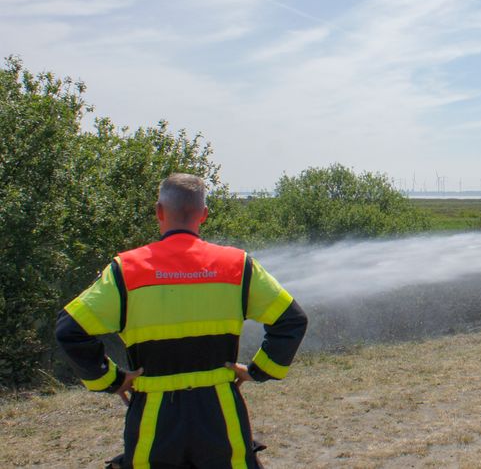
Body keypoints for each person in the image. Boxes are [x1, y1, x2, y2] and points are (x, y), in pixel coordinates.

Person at [56, 173, 308, 468]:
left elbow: (69, 330)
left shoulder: (127, 269)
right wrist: (258, 371)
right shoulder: (236, 265)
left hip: (154, 418)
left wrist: (112, 379)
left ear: (159, 211)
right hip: (221, 413)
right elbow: (292, 320)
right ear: (204, 214)